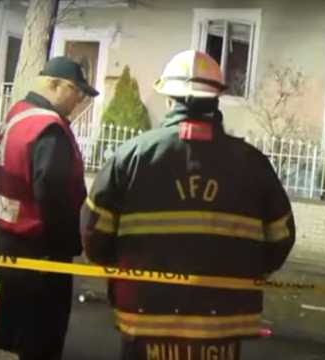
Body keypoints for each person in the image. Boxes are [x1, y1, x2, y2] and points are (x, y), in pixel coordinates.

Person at [80, 50, 296, 360]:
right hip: (223, 318)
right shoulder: (253, 163)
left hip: (145, 313)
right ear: (216, 99)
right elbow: (281, 237)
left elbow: (93, 233)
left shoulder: (131, 156)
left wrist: (121, 268)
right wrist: (248, 271)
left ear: (169, 99)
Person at [0, 56, 98, 360]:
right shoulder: (48, 128)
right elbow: (54, 196)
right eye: (76, 91)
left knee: (11, 328)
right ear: (54, 84)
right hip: (42, 251)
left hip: (8, 239)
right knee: (42, 337)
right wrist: (69, 245)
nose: (79, 100)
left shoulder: (19, 114)